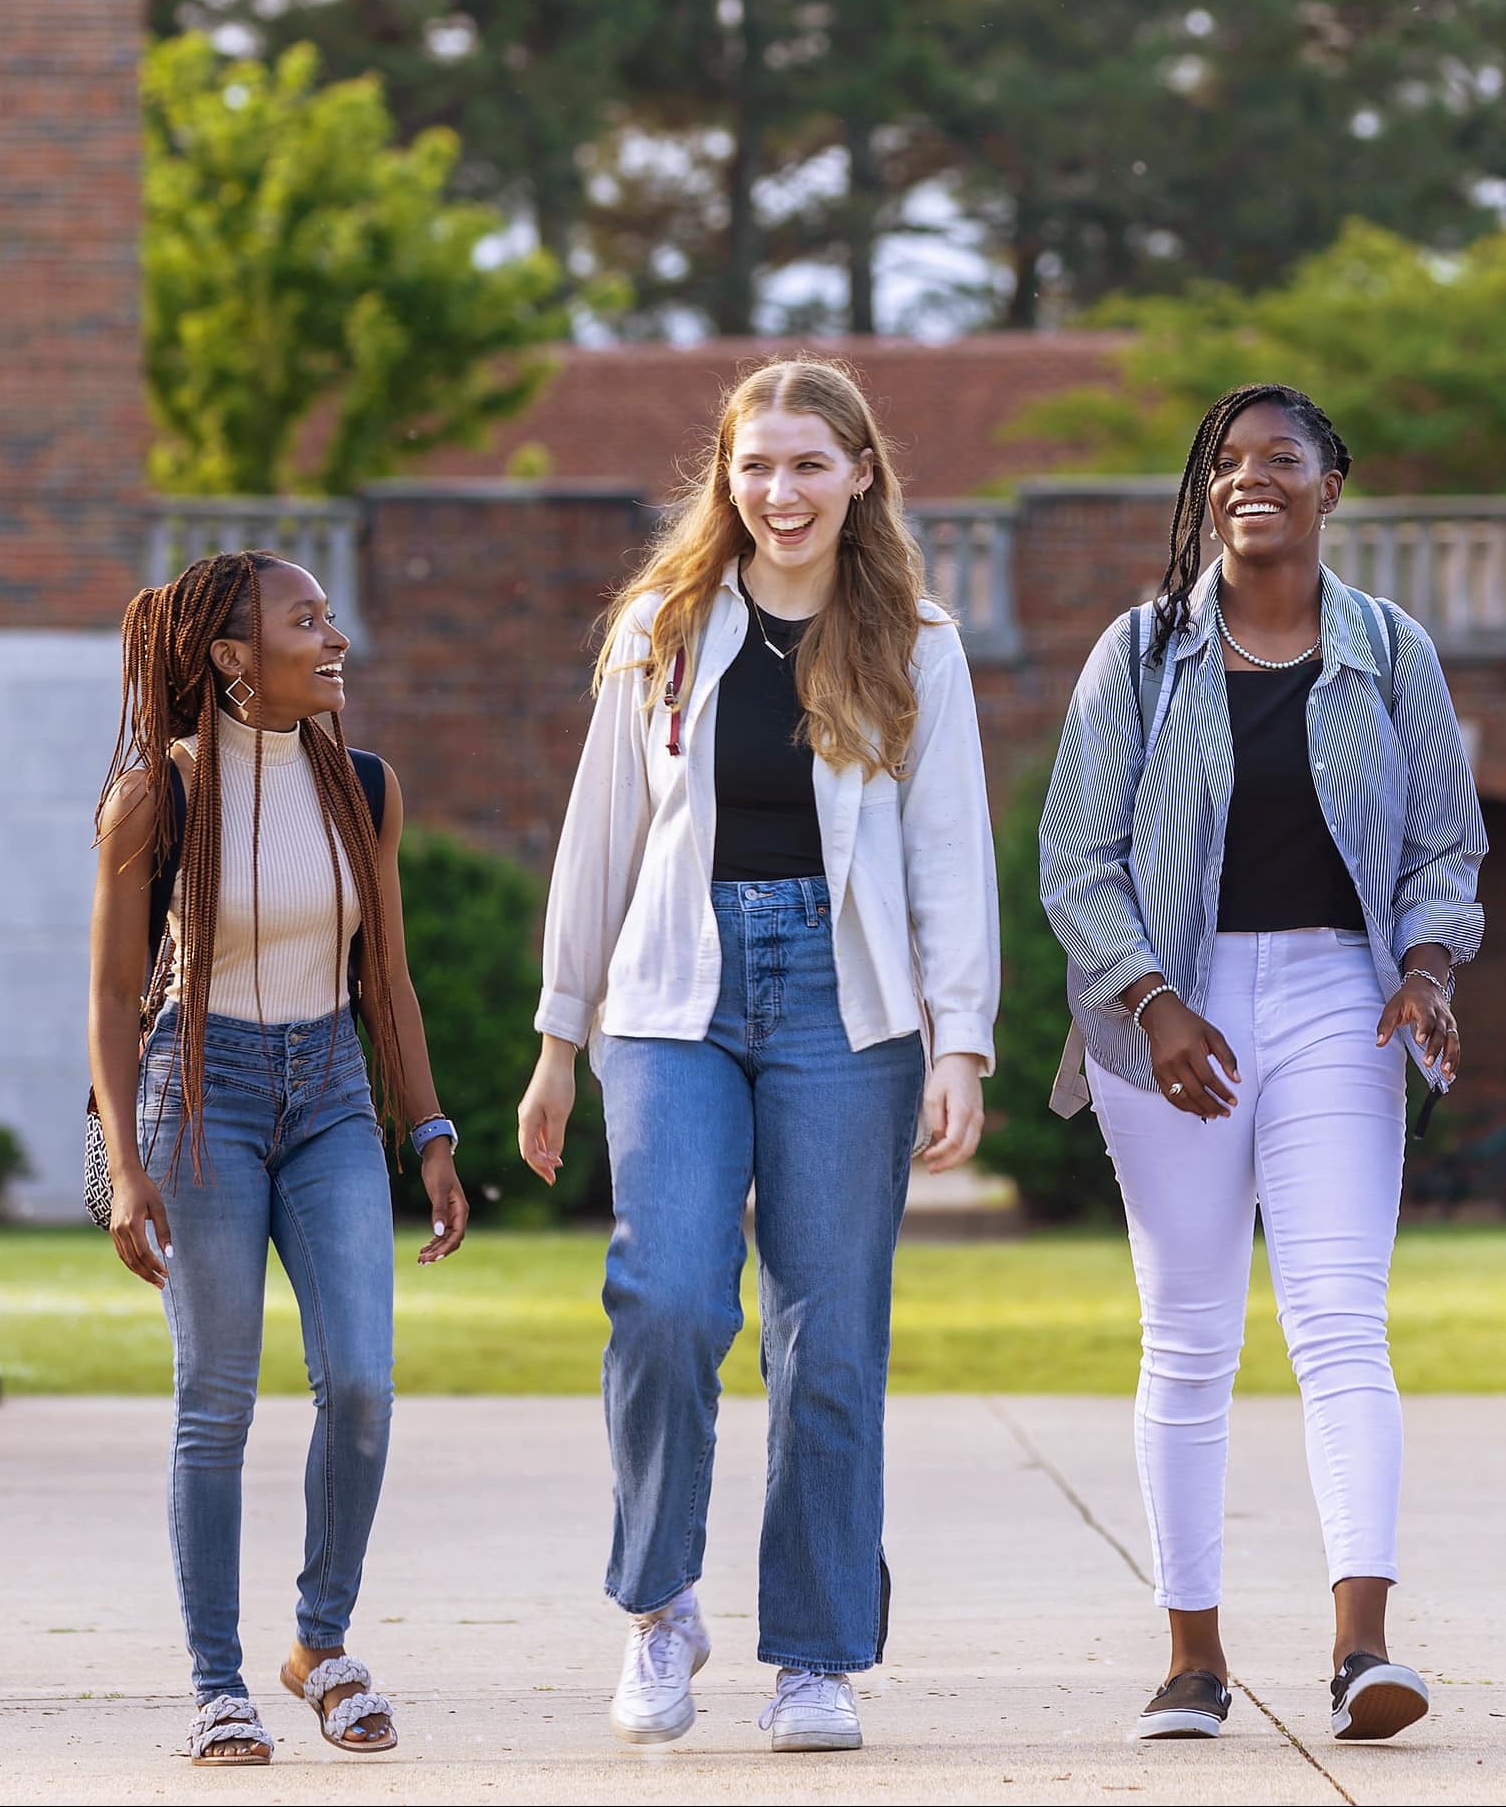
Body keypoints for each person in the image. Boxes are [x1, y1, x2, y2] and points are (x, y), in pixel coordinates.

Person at [517, 359, 1000, 1757]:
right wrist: (560, 1037)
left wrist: (957, 1037)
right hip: (674, 997)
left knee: (828, 1336)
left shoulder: (917, 638)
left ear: (860, 473)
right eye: (754, 466)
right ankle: (660, 1602)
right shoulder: (661, 629)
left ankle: (816, 1653)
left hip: (846, 1011)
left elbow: (947, 854)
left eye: (806, 464)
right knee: (665, 1297)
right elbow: (599, 835)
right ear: (723, 480)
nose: (778, 493)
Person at [1039, 384, 1487, 1749]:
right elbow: (1077, 856)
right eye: (1225, 462)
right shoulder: (1139, 651)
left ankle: (1365, 1648)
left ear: (1329, 483)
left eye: (1279, 458)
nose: (1249, 478)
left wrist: (1426, 966)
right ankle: (1192, 1657)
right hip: (1168, 1009)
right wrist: (1156, 998)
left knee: (1343, 1319)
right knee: (1187, 1332)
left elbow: (1445, 846)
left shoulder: (1392, 649)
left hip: (1340, 1000)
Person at [86, 548, 473, 1770]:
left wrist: (429, 1130)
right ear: (233, 656)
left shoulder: (364, 783)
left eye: (330, 612)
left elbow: (387, 978)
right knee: (216, 1401)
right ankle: (217, 1681)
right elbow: (107, 992)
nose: (335, 635)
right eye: (307, 619)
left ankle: (320, 1642)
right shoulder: (158, 796)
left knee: (360, 1381)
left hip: (330, 1093)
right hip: (199, 1093)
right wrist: (126, 1161)